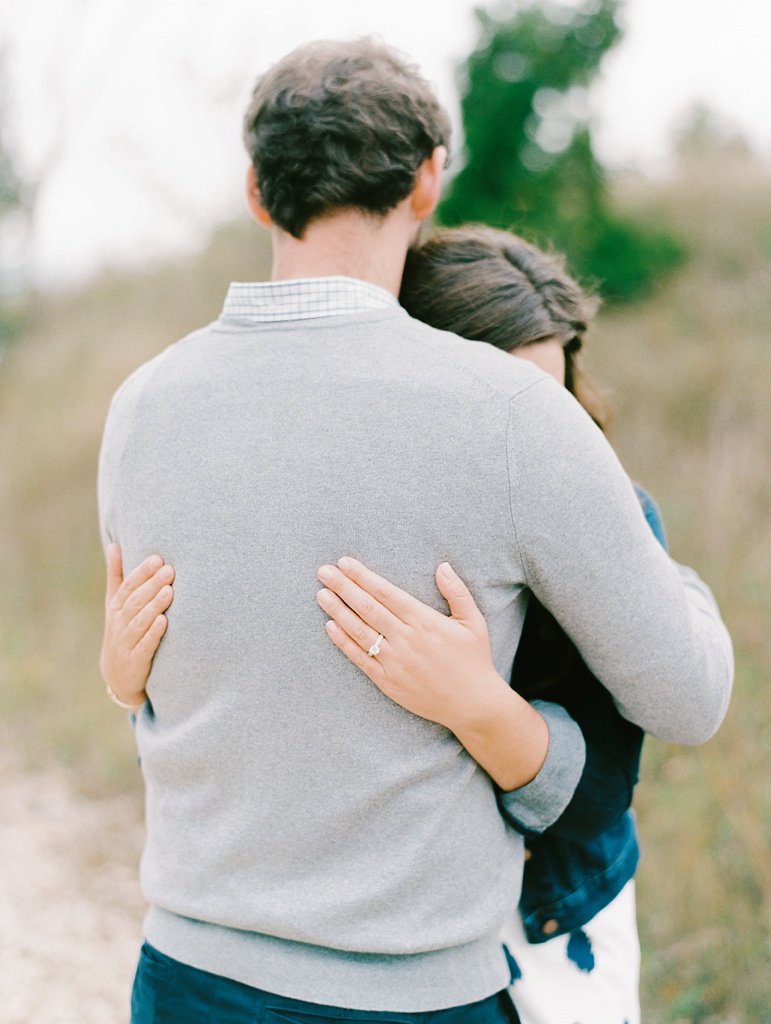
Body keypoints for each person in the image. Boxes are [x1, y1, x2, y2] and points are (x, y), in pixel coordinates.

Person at [98, 38, 733, 1024]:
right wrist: (658, 555)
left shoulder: (139, 408)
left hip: (184, 975)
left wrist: (120, 680)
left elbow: (176, 692)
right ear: (429, 179)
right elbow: (690, 699)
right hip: (412, 996)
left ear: (258, 192)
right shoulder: (510, 412)